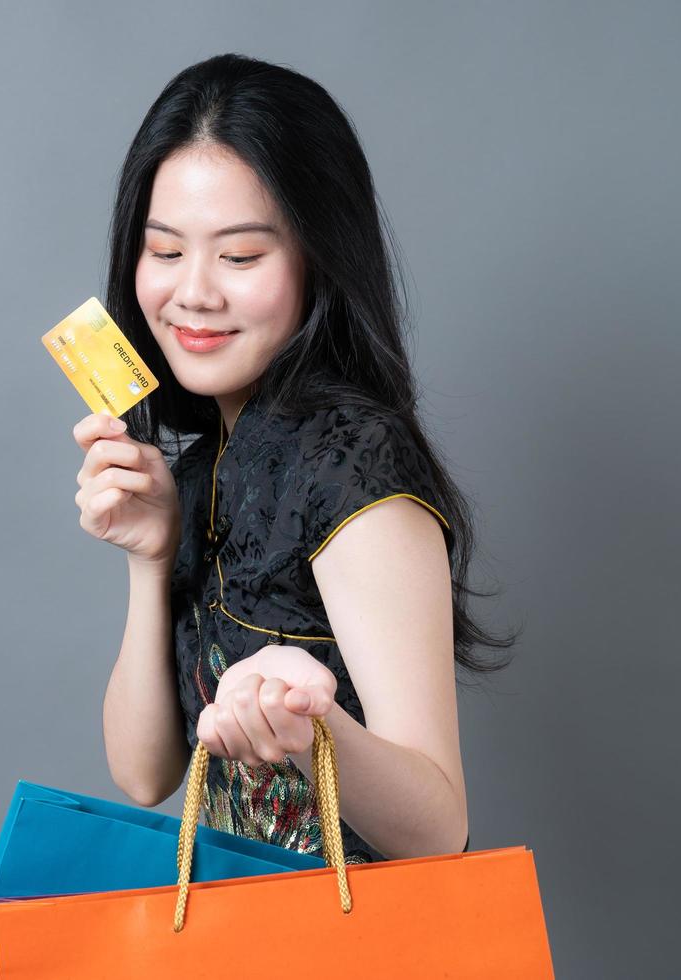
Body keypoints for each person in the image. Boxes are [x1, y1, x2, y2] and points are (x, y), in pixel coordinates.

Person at [72, 53, 518, 865]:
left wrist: (314, 731)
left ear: (319, 258)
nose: (193, 293)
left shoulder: (356, 464)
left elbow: (438, 828)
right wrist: (151, 557)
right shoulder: (209, 463)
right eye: (165, 252)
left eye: (240, 257)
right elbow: (143, 776)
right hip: (236, 937)